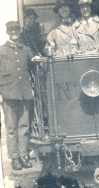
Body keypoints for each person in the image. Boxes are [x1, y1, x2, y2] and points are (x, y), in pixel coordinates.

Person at [0, 21, 34, 170]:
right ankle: (14, 158)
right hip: (8, 94)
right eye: (11, 30)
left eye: (17, 29)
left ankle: (24, 155)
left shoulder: (26, 50)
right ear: (7, 32)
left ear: (20, 31)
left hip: (25, 93)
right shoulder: (1, 51)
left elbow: (32, 70)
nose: (14, 32)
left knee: (24, 126)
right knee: (11, 128)